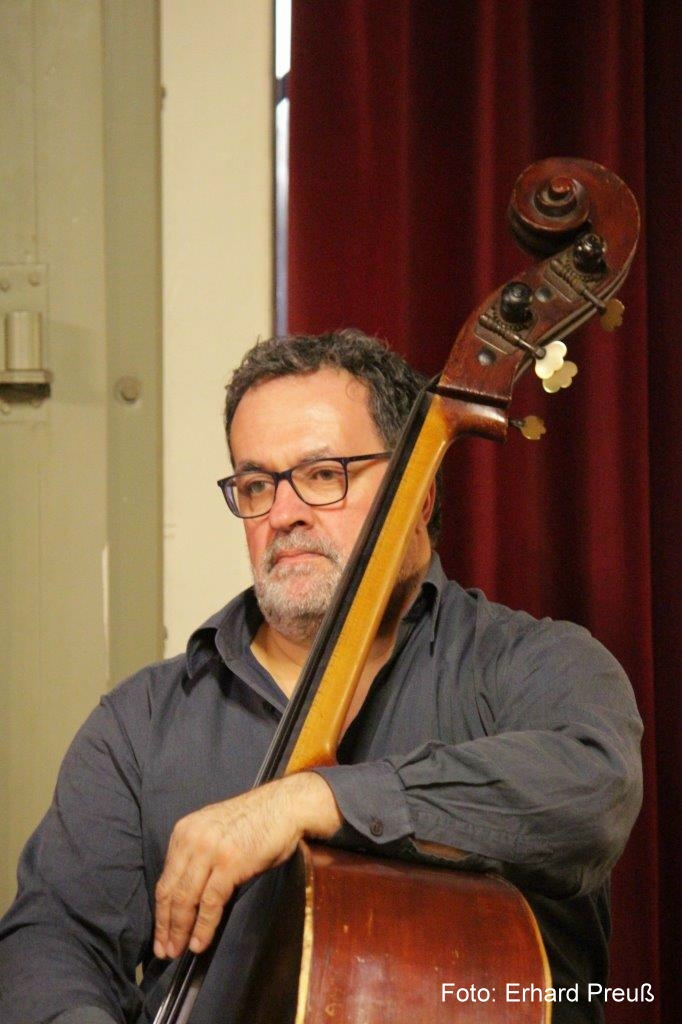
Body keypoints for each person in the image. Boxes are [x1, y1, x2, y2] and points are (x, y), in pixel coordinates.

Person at [0, 330, 642, 1024]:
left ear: (419, 495)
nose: (283, 514)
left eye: (324, 474)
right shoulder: (141, 724)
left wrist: (314, 800)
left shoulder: (533, 665)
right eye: (256, 485)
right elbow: (49, 945)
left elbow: (591, 792)